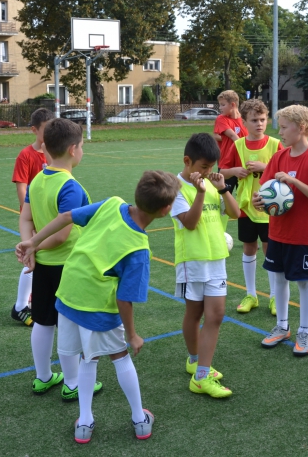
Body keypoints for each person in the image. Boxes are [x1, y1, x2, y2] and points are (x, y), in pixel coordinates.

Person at [15, 170, 181, 444]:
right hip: (96, 305)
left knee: (87, 358)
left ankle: (85, 422)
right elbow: (123, 300)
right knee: (120, 356)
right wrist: (132, 334)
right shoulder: (138, 250)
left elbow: (67, 216)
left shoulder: (111, 203)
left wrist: (33, 241)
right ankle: (140, 419)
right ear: (165, 210)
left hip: (68, 294)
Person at [18, 118, 102, 400]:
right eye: (81, 146)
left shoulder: (37, 180)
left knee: (42, 321)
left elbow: (25, 217)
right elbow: (63, 235)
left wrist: (30, 246)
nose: (82, 151)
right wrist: (35, 247)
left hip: (43, 266)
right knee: (69, 325)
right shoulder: (70, 186)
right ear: (72, 149)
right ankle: (73, 382)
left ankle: (43, 377)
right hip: (68, 266)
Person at [251, 105, 308, 357]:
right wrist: (260, 201)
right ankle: (282, 327)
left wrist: (294, 181)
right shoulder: (279, 157)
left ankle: (304, 331)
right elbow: (267, 192)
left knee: (303, 281)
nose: (280, 131)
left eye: (285, 127)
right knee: (278, 278)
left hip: (304, 234)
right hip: (278, 232)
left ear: (301, 128)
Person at [171, 133, 240, 398]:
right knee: (195, 314)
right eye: (203, 167)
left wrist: (222, 188)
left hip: (216, 259)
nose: (207, 172)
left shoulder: (213, 184)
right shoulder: (177, 187)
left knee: (216, 315)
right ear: (187, 161)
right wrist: (200, 192)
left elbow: (234, 214)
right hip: (193, 261)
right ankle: (194, 359)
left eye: (211, 168)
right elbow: (189, 221)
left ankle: (201, 374)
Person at [218, 99, 282, 315]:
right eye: (254, 120)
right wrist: (235, 170)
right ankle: (251, 294)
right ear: (244, 122)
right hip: (246, 206)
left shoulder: (274, 144)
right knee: (249, 247)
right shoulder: (238, 145)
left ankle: (274, 296)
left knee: (269, 249)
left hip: (269, 207)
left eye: (263, 119)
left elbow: (285, 170)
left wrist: (266, 167)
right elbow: (222, 171)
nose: (259, 124)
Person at [10, 107, 55, 327]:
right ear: (34, 130)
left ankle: (30, 301)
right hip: (35, 217)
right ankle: (20, 306)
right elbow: (22, 188)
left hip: (49, 216)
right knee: (32, 257)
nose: (48, 135)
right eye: (45, 130)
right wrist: (31, 216)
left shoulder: (54, 152)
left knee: (43, 258)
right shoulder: (26, 155)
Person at [212, 90, 246, 190]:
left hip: (242, 165)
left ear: (232, 105)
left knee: (244, 199)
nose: (220, 108)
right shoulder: (221, 119)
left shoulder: (245, 120)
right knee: (223, 196)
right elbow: (233, 136)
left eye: (223, 105)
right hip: (227, 165)